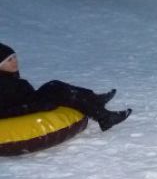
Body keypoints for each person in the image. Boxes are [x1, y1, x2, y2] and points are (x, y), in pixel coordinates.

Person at [0, 42, 132, 131]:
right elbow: (5, 110)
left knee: (54, 85)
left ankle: (94, 99)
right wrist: (37, 106)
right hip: (28, 108)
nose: (15, 62)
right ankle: (104, 117)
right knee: (59, 92)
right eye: (9, 60)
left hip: (30, 101)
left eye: (14, 57)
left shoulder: (9, 76)